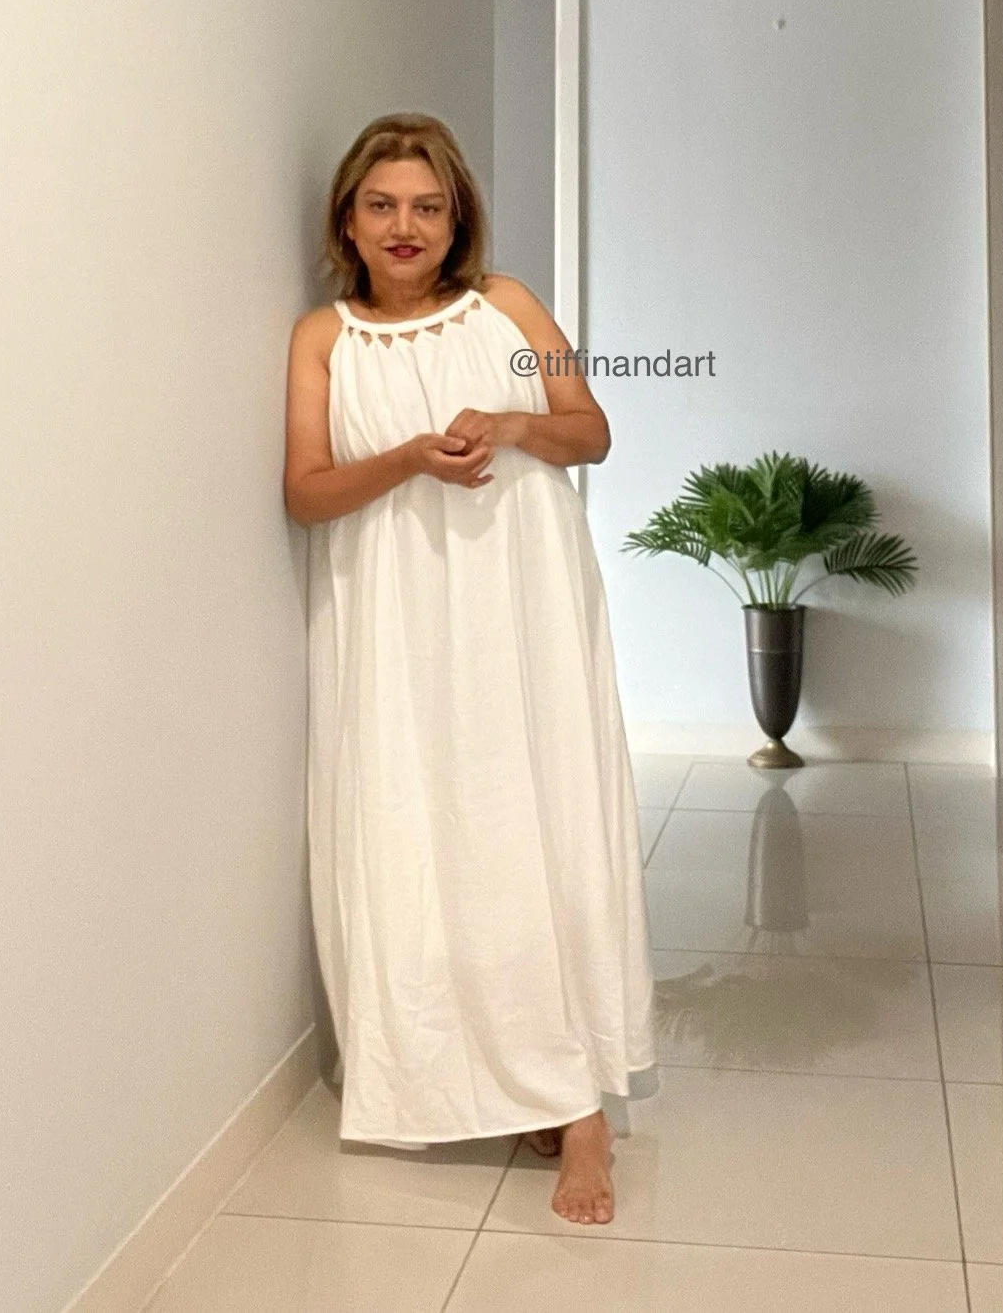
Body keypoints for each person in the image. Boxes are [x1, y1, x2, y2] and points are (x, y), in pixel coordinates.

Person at [283, 112, 655, 1226]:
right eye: (382, 205)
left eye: (427, 206)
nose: (405, 226)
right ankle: (477, 1074)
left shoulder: (509, 307)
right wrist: (406, 458)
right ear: (348, 219)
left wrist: (514, 422)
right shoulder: (321, 339)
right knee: (419, 827)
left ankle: (578, 1109)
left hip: (518, 599)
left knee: (533, 818)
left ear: (458, 220)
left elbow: (591, 430)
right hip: (393, 616)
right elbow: (305, 491)